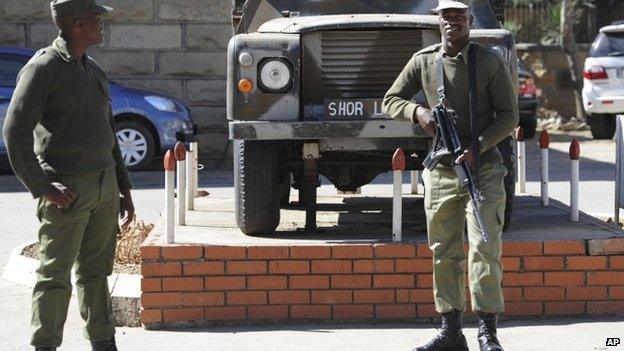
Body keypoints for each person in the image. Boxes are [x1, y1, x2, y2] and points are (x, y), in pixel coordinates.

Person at [382, 0, 518, 350]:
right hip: (442, 169)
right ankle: (451, 331)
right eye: (446, 16)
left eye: (460, 16)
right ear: (438, 21)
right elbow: (391, 99)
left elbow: (509, 116)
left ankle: (488, 331)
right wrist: (418, 112)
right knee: (444, 251)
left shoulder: (488, 61)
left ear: (470, 21)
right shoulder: (424, 61)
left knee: (485, 246)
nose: (452, 22)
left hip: (483, 167)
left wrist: (480, 146)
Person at [2, 1, 134, 350]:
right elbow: (14, 134)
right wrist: (43, 187)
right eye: (95, 18)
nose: (101, 24)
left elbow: (110, 135)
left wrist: (124, 188)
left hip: (104, 189)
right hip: (67, 191)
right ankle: (45, 345)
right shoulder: (42, 68)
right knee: (54, 277)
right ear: (77, 23)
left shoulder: (93, 70)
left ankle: (103, 342)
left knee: (95, 273)